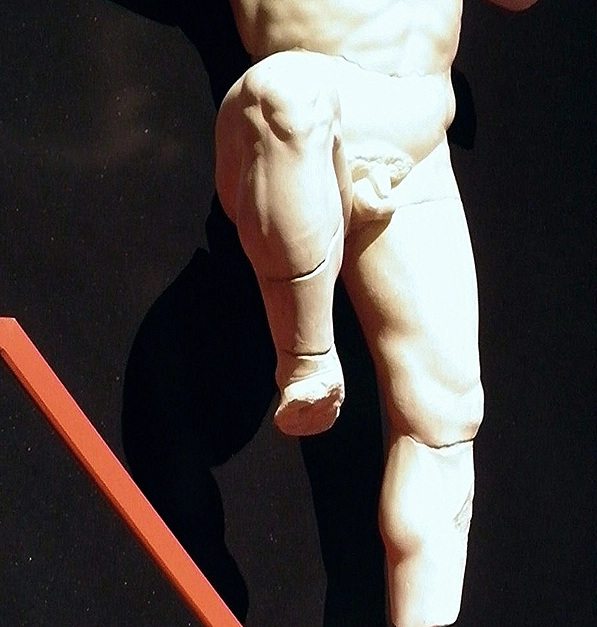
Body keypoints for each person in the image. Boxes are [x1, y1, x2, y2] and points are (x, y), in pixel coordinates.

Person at [212, 0, 534, 625]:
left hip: (418, 137)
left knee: (445, 420)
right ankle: (307, 358)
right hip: (294, 122)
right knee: (288, 96)